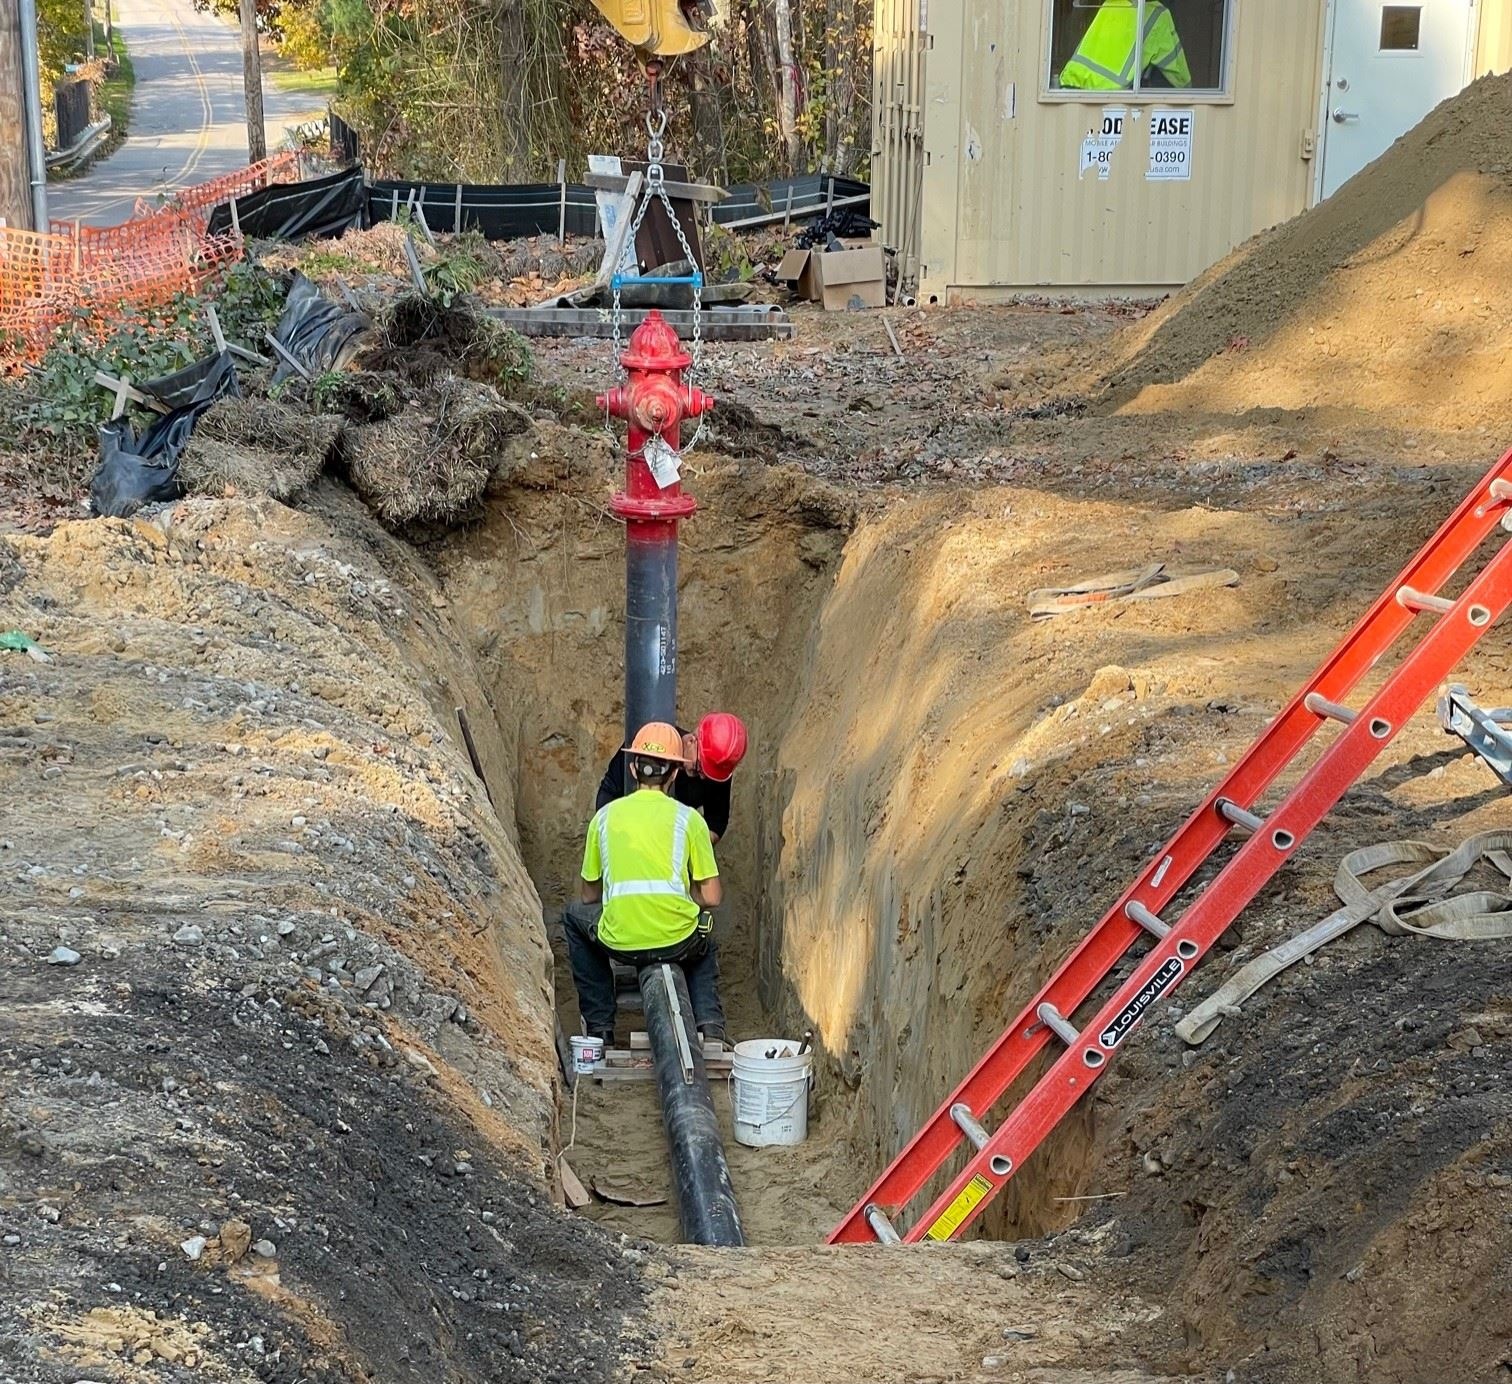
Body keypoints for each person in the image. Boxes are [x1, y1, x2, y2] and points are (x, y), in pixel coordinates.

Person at [566, 721, 727, 1049]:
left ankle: (600, 1029)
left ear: (632, 768)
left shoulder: (604, 819)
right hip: (676, 940)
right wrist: (683, 896)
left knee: (573, 918)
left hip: (619, 940)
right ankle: (711, 1028)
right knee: (705, 943)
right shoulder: (691, 820)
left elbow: (588, 896)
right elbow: (712, 896)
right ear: (674, 775)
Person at [594, 711, 747, 843]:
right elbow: (609, 790)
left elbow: (716, 823)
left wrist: (691, 845)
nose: (702, 776)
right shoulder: (652, 743)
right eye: (699, 766)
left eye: (710, 774)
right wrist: (614, 837)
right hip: (628, 837)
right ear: (691, 741)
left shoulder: (718, 769)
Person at [1058, 0, 1191, 91]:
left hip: (1070, 84)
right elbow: (1178, 75)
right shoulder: (1158, 14)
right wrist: (1189, 93)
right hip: (1108, 94)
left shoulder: (1112, 4)